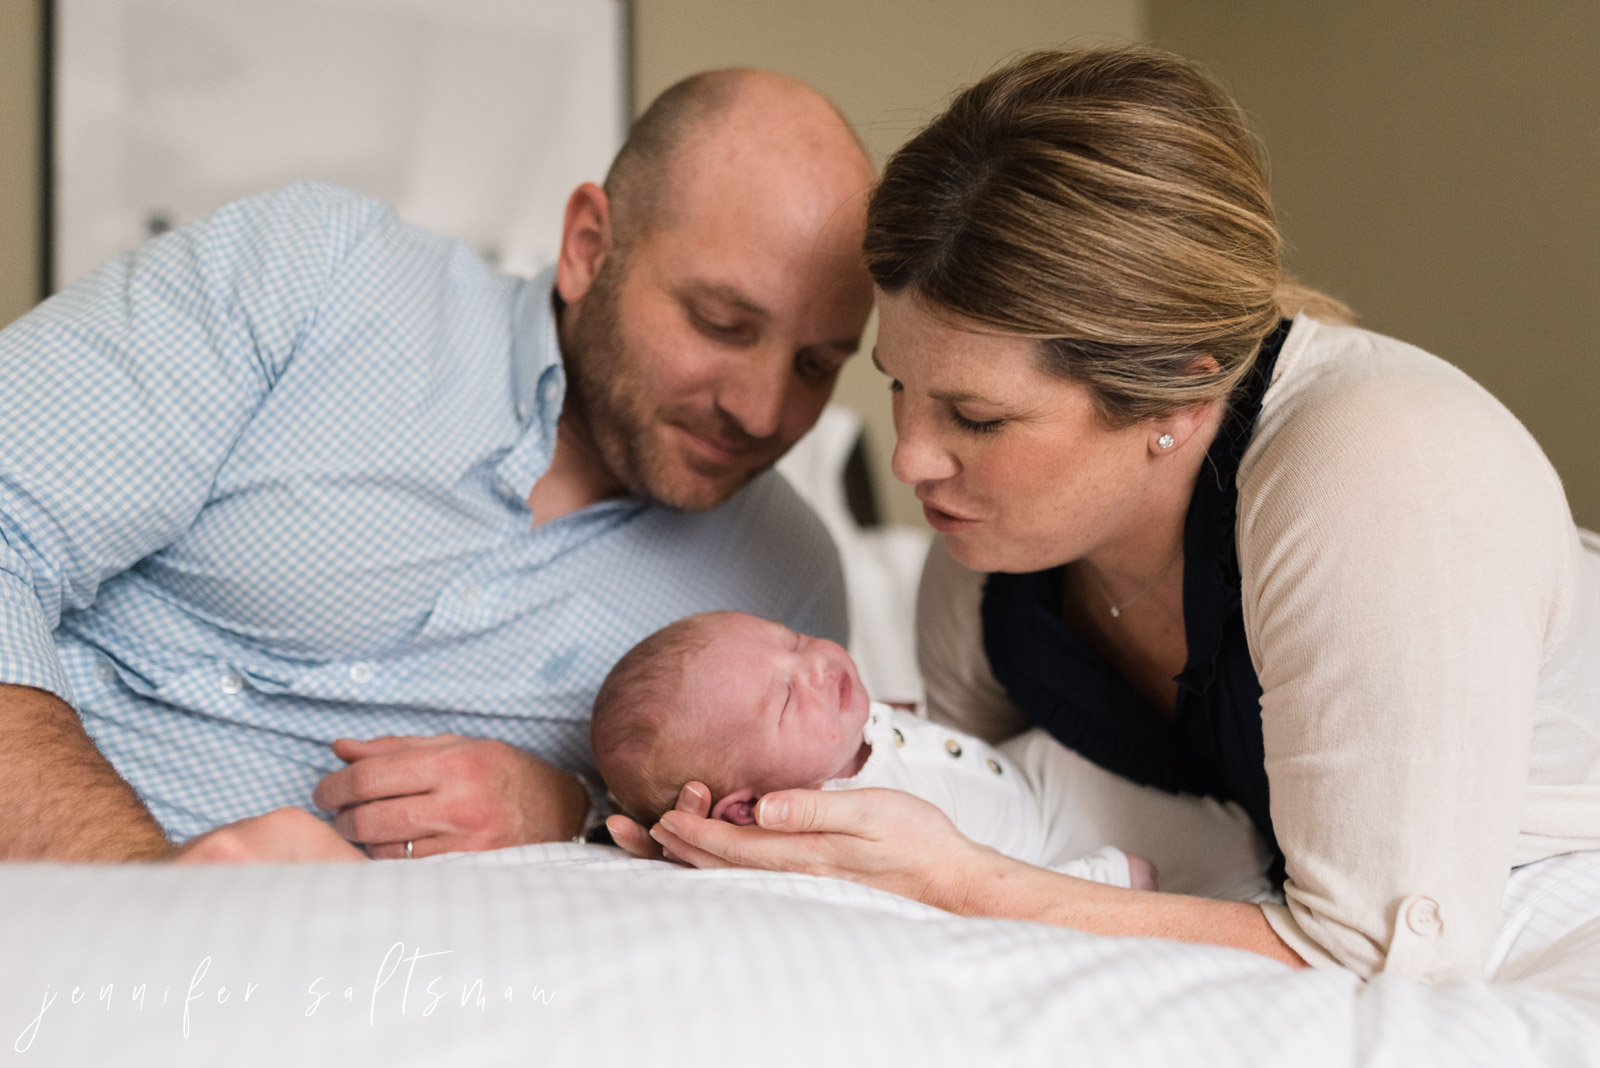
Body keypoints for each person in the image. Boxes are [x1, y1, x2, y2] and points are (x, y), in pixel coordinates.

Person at [613, 47, 1600, 984]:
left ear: (1178, 394)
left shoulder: (1385, 476)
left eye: (977, 416)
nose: (911, 455)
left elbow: (1375, 960)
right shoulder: (981, 562)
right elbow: (981, 795)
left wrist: (960, 885)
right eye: (899, 387)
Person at [0, 68, 876, 862]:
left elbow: (755, 848)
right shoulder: (317, 271)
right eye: (723, 324)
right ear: (586, 247)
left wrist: (571, 805)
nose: (762, 411)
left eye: (816, 364)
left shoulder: (786, 591)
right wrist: (130, 882)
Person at [592, 610, 1277, 893]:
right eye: (785, 701)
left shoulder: (845, 728)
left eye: (795, 640)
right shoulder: (825, 816)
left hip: (1045, 778)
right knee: (1214, 864)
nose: (819, 666)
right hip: (1054, 859)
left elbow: (909, 733)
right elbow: (923, 891)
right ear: (748, 808)